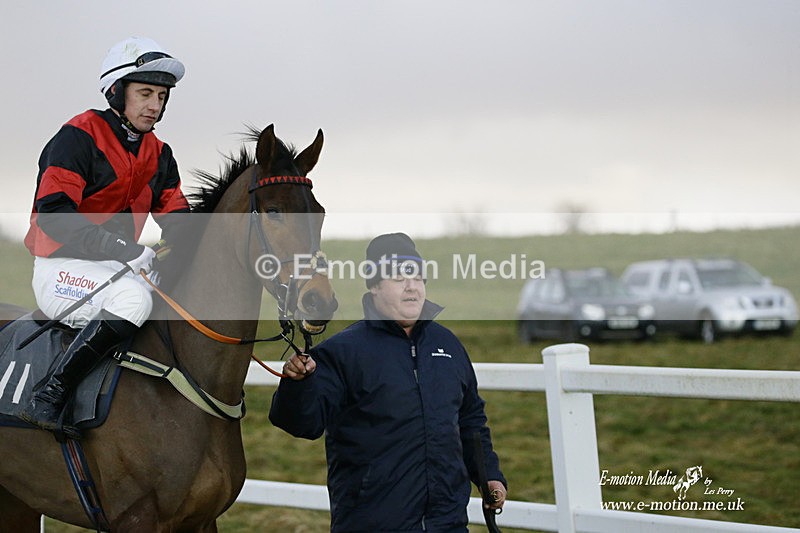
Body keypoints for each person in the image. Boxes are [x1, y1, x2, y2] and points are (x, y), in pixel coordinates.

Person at [269, 232, 507, 532]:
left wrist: (489, 475)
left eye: (418, 277)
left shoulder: (448, 345)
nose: (411, 287)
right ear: (375, 287)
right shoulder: (342, 352)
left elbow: (471, 421)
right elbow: (301, 423)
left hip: (448, 523)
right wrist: (298, 385)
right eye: (398, 278)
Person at [18, 36, 190, 435]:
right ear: (116, 92)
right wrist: (123, 248)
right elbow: (54, 216)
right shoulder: (77, 137)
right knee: (133, 300)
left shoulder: (160, 154)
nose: (155, 106)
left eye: (162, 96)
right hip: (61, 270)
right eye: (145, 93)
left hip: (120, 269)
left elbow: (180, 219)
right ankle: (50, 393)